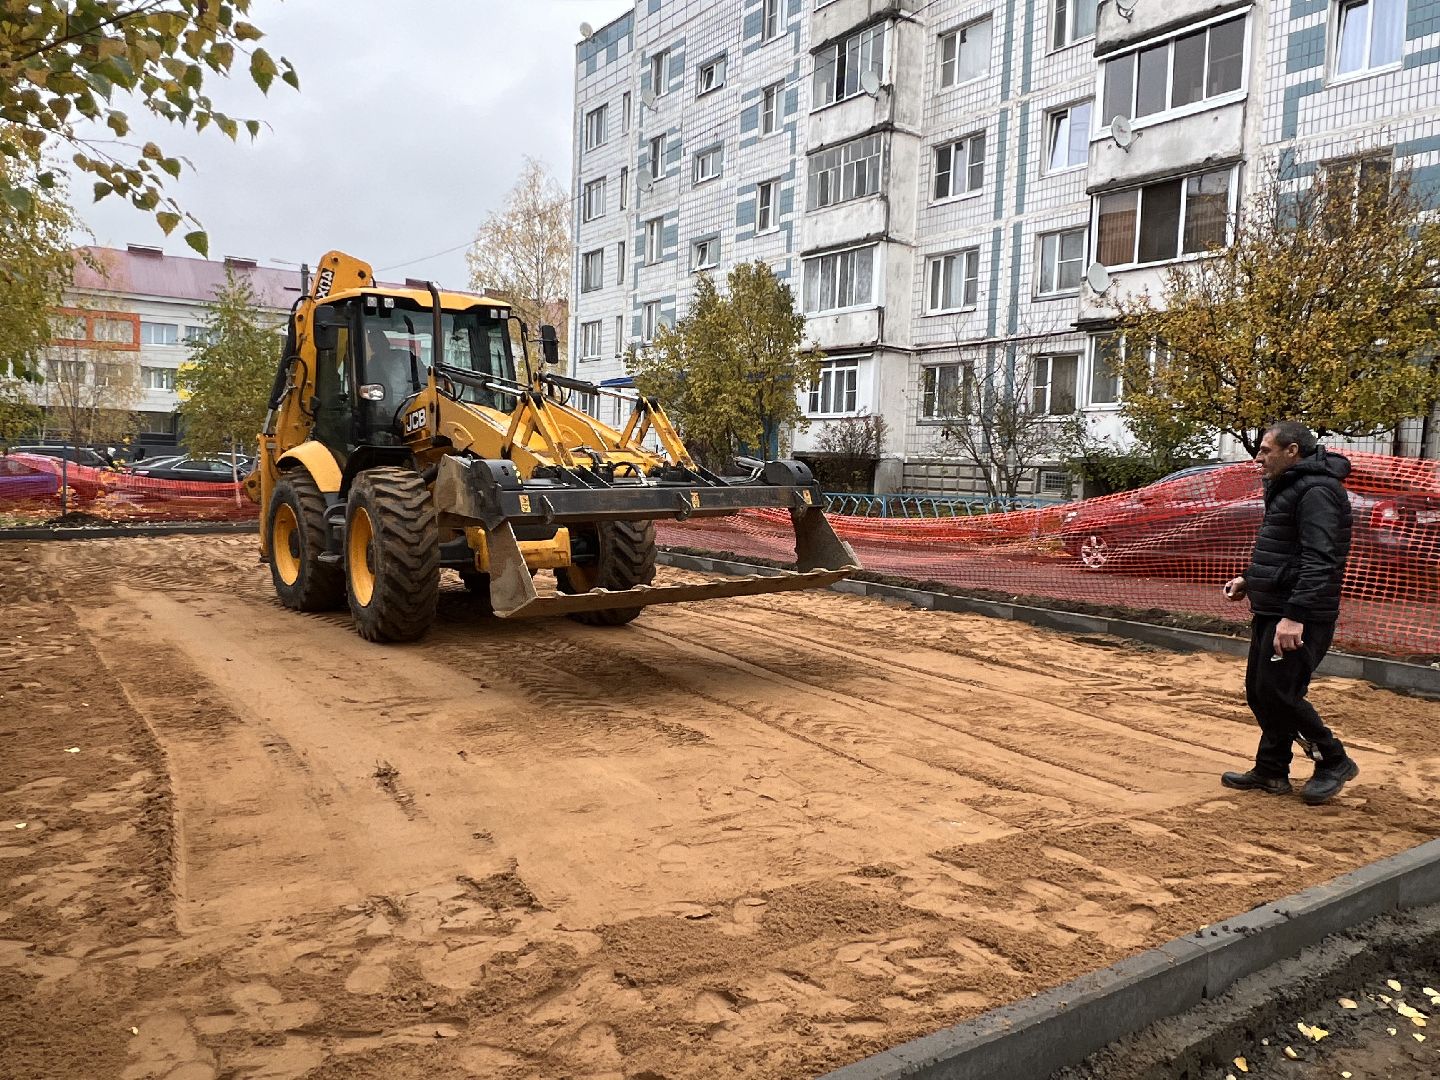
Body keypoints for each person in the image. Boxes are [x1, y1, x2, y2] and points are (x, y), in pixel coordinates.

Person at [1220, 421, 1359, 806]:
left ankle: (1333, 759)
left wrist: (1295, 614)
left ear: (1292, 450)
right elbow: (1284, 549)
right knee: (1262, 692)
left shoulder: (1318, 491)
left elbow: (1321, 557)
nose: (1258, 456)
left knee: (1281, 692)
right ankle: (1271, 769)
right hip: (1273, 606)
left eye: (1265, 450)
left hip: (1300, 613)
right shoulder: (1287, 486)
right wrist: (1249, 579)